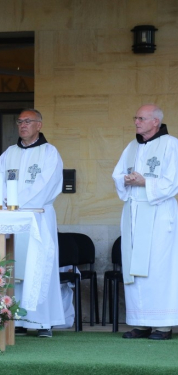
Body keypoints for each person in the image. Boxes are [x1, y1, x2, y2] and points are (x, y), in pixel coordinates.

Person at [0, 108, 65, 337]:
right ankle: (19, 320)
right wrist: (7, 204)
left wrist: (15, 202)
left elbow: (46, 184)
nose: (22, 125)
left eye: (28, 121)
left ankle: (42, 322)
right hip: (13, 220)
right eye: (20, 121)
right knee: (15, 267)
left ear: (39, 125)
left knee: (39, 266)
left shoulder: (49, 153)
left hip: (38, 216)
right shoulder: (8, 153)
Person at [112, 104, 178, 340]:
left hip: (158, 213)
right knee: (135, 268)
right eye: (135, 117)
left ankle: (162, 325)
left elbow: (172, 182)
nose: (136, 122)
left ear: (155, 122)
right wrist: (126, 179)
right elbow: (117, 174)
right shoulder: (132, 146)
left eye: (141, 118)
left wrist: (145, 183)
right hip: (133, 211)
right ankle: (141, 323)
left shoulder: (171, 144)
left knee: (157, 267)